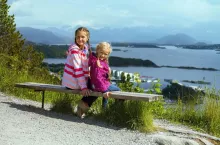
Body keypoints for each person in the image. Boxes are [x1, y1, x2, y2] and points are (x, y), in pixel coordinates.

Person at [76, 42, 121, 118]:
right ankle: (106, 110)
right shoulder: (97, 63)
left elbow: (90, 64)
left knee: (96, 95)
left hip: (95, 84)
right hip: (100, 85)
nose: (103, 55)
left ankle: (84, 105)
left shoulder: (94, 59)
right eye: (101, 53)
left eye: (106, 54)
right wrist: (105, 91)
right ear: (97, 50)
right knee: (118, 91)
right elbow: (98, 78)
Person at [61, 27, 92, 116]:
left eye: (82, 37)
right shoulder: (75, 51)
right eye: (78, 37)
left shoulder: (85, 48)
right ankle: (83, 106)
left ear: (87, 38)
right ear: (75, 37)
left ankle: (83, 105)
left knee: (98, 86)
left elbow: (85, 67)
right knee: (97, 88)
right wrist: (83, 87)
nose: (80, 39)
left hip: (75, 81)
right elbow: (78, 70)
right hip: (73, 83)